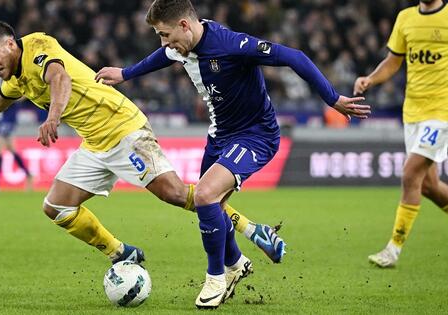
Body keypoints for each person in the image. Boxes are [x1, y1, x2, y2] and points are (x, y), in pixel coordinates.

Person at [0, 20, 286, 270]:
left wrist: (53, 117)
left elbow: (58, 77)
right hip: (95, 143)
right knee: (56, 207)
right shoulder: (16, 77)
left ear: (10, 44)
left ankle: (252, 229)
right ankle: (121, 253)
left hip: (123, 128)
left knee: (176, 195)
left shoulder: (38, 46)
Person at [95, 0, 370, 308]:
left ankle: (216, 277)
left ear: (184, 25)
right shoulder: (181, 44)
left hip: (256, 135)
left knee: (204, 195)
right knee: (212, 206)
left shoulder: (231, 44)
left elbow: (294, 56)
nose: (164, 43)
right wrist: (125, 73)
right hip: (220, 136)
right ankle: (237, 263)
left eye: (165, 34)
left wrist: (332, 99)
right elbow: (163, 55)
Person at [354, 0, 448, 268]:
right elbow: (393, 62)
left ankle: (392, 250)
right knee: (428, 185)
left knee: (409, 174)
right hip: (413, 113)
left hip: (442, 113)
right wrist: (370, 79)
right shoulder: (406, 18)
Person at [0, 67, 33, 193]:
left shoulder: (7, 69)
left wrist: (11, 98)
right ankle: (29, 175)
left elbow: (22, 92)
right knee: (10, 148)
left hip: (9, 113)